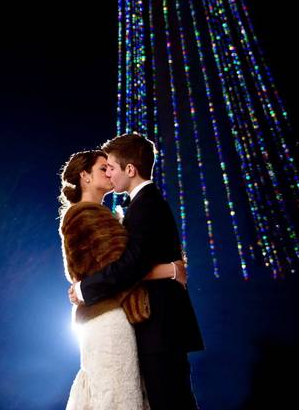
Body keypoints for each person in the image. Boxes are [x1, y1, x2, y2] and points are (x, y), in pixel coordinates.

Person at [69, 134, 204, 410]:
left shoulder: (145, 206)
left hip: (160, 328)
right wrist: (170, 270)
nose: (109, 173)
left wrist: (84, 288)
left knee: (169, 401)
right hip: (150, 326)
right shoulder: (137, 206)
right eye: (103, 169)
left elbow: (130, 265)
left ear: (130, 170)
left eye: (112, 168)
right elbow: (128, 263)